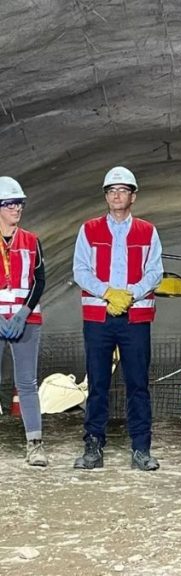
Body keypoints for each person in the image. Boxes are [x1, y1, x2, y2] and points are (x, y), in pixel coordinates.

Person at [72, 166, 163, 471]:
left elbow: (155, 272)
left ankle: (141, 448)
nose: (116, 196)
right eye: (111, 191)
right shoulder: (89, 229)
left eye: (122, 191)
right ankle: (93, 446)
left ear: (133, 196)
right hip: (99, 317)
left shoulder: (148, 231)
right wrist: (109, 293)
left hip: (134, 318)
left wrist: (132, 295)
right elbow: (80, 270)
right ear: (106, 197)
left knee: (138, 383)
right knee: (97, 383)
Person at [0, 177, 48, 467]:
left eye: (19, 203)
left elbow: (39, 280)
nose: (17, 208)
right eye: (10, 204)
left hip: (25, 321)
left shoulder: (31, 241)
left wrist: (23, 313)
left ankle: (35, 444)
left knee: (27, 383)